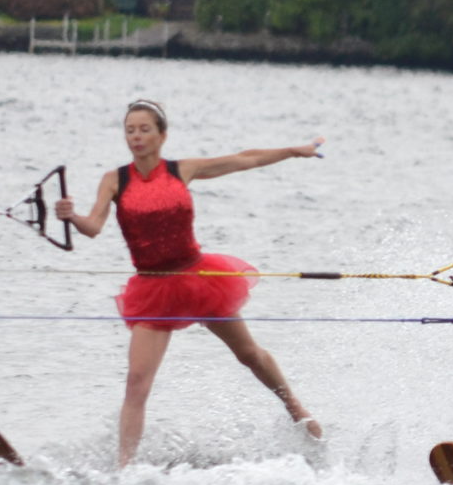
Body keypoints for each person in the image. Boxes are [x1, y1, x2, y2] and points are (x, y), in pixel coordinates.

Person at [56, 99, 323, 466]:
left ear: (162, 135)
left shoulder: (182, 170)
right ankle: (124, 467)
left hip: (200, 279)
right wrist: (71, 218)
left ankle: (295, 408)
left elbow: (245, 158)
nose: (136, 136)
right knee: (136, 382)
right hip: (152, 289)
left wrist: (294, 151)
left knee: (248, 355)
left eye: (144, 129)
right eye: (130, 130)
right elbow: (93, 227)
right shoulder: (114, 180)